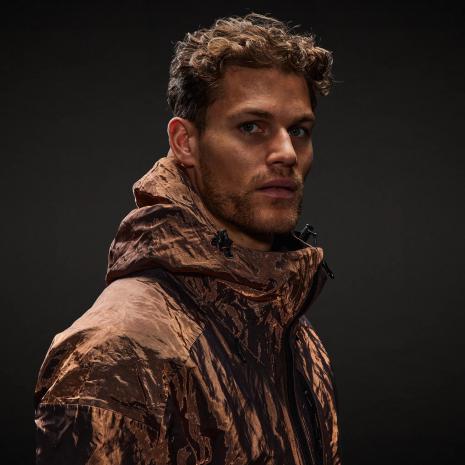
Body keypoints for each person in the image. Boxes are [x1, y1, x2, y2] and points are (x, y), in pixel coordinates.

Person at [34, 12, 342, 465]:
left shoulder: (293, 335)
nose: (285, 153)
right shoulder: (118, 350)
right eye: (251, 127)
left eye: (298, 130)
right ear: (185, 143)